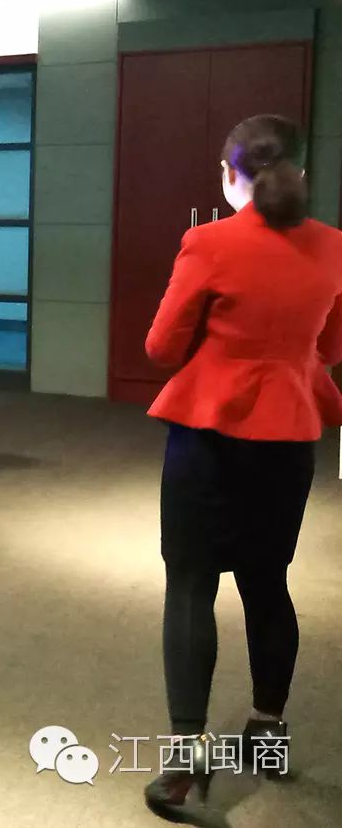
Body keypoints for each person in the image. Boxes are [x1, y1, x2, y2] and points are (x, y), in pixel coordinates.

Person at [140, 115, 342, 825]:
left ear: (230, 175)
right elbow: (330, 346)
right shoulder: (334, 246)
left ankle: (183, 765)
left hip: (209, 437)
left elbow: (161, 347)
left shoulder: (209, 242)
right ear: (300, 173)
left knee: (191, 586)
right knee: (267, 582)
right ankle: (266, 733)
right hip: (288, 436)